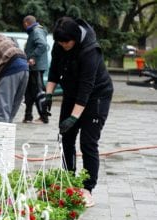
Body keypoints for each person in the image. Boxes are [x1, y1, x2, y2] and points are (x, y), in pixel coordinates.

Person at [43, 17, 113, 207]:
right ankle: (69, 180)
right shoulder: (60, 45)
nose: (63, 45)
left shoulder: (91, 51)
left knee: (88, 142)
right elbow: (54, 70)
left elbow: (86, 87)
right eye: (60, 42)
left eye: (66, 42)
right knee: (65, 136)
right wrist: (47, 95)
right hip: (72, 94)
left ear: (75, 38)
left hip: (96, 95)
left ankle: (87, 189)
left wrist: (74, 117)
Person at [22, 15, 49, 124]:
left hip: (36, 68)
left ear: (26, 24)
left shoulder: (36, 31)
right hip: (33, 68)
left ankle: (44, 117)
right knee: (29, 92)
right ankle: (28, 116)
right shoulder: (34, 31)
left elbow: (42, 45)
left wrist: (33, 57)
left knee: (39, 92)